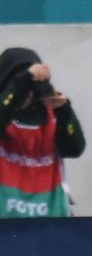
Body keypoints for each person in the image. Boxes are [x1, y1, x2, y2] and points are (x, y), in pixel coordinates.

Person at [0, 47, 85, 219]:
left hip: (49, 222)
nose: (28, 94)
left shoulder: (51, 116)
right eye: (24, 88)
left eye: (31, 88)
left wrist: (64, 111)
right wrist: (21, 82)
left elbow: (75, 149)